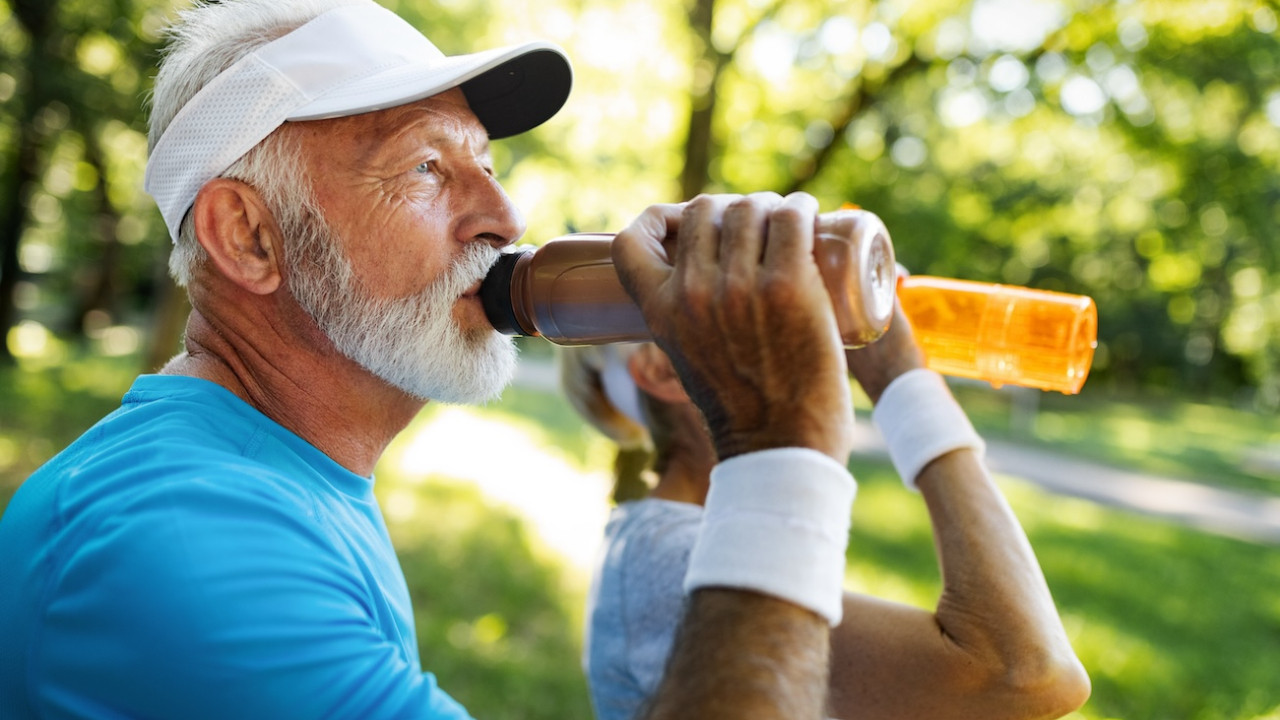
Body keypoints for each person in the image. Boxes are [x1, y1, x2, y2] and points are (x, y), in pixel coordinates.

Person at [0, 1, 915, 718]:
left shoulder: (274, 472)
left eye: (485, 162)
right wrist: (783, 447)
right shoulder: (177, 538)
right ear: (247, 237)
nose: (506, 219)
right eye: (427, 169)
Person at [564, 301, 1092, 720]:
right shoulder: (673, 558)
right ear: (663, 370)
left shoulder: (664, 539)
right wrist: (903, 384)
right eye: (741, 309)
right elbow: (1028, 673)